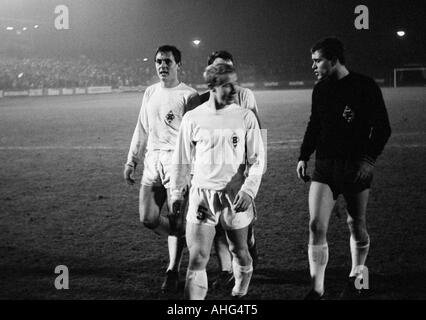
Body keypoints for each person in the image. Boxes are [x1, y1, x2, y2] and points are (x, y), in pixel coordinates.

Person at [296, 37, 391, 300]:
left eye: (318, 61)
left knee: (355, 223)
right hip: (325, 168)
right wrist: (304, 156)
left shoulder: (364, 86)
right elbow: (315, 125)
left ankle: (357, 273)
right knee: (315, 225)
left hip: (354, 168)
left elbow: (383, 128)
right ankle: (317, 288)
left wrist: (368, 160)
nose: (313, 66)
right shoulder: (320, 89)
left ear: (334, 59)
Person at [170, 63, 265, 299]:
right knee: (198, 257)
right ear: (211, 86)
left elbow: (258, 160)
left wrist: (248, 191)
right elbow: (181, 159)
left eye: (235, 82)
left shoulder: (246, 116)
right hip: (202, 196)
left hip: (235, 196)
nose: (234, 89)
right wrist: (176, 193)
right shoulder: (193, 118)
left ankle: (239, 293)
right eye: (227, 85)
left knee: (239, 250)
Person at [123, 45, 198, 293]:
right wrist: (131, 160)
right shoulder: (150, 92)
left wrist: (195, 170)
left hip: (178, 164)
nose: (162, 66)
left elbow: (196, 136)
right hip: (152, 161)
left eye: (167, 61)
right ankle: (184, 232)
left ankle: (173, 270)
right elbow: (141, 128)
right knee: (148, 218)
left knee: (176, 216)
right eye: (158, 61)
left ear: (178, 64)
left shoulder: (189, 95)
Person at [194, 51, 261, 290]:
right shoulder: (201, 101)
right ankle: (226, 270)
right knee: (219, 228)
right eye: (218, 68)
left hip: (240, 175)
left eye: (228, 68)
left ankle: (246, 250)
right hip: (212, 178)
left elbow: (256, 133)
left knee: (240, 230)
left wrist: (253, 175)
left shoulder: (245, 95)